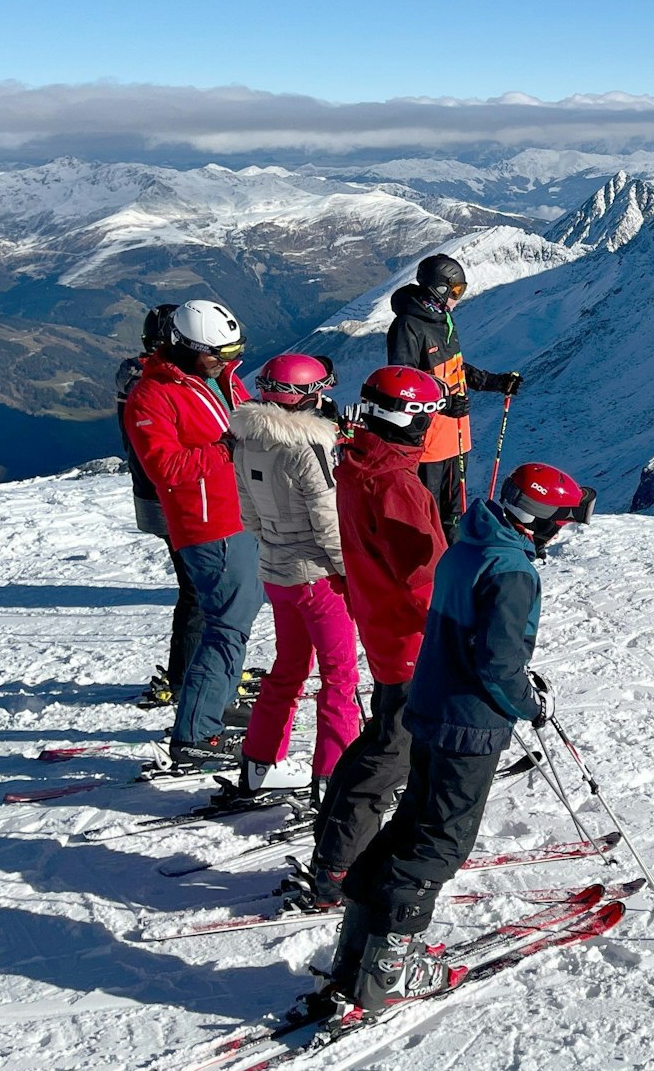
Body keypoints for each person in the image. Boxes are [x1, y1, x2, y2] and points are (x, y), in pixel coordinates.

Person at [319, 462, 592, 1019]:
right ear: (541, 521)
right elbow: (498, 662)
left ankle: (356, 956)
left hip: (430, 704)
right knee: (440, 842)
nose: (563, 529)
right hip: (469, 724)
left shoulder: (468, 545)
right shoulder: (512, 569)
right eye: (562, 519)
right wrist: (531, 704)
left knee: (410, 825)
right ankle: (389, 972)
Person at [295, 366, 449, 911]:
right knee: (392, 753)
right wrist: (461, 634)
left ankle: (331, 847)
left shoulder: (358, 464)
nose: (433, 426)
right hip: (409, 642)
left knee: (379, 738)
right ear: (410, 419)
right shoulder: (396, 486)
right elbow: (425, 583)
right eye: (429, 415)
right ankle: (338, 867)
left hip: (381, 628)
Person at [122, 300, 267, 770]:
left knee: (238, 618)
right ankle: (196, 732)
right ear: (185, 346)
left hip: (242, 513)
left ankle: (217, 702)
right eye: (216, 354)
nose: (225, 361)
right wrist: (226, 449)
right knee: (224, 624)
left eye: (233, 352)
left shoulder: (219, 378)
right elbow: (165, 468)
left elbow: (241, 422)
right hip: (208, 523)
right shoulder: (153, 395)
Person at [225, 353, 358, 802]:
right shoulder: (310, 446)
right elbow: (329, 523)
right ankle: (333, 778)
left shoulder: (246, 439)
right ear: (306, 394)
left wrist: (277, 547)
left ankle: (259, 763)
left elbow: (250, 515)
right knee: (339, 677)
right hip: (318, 577)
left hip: (278, 573)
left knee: (288, 669)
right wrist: (351, 575)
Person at [384, 254, 521, 542]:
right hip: (430, 442)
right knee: (430, 513)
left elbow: (454, 368)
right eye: (456, 290)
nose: (459, 297)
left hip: (456, 437)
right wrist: (444, 404)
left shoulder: (442, 319)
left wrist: (496, 382)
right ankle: (432, 576)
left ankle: (454, 569)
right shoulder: (408, 326)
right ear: (439, 289)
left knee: (454, 513)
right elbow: (403, 383)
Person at [115, 304, 203, 707]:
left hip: (153, 495)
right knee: (198, 590)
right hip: (170, 496)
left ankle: (193, 670)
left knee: (198, 588)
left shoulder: (137, 377)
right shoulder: (152, 383)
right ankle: (186, 676)